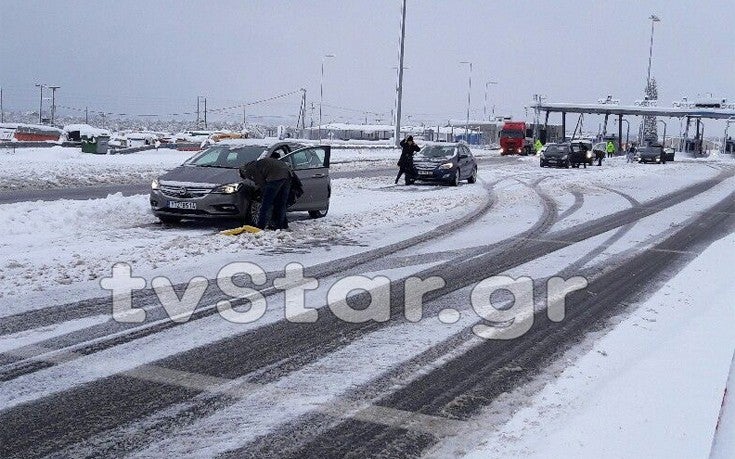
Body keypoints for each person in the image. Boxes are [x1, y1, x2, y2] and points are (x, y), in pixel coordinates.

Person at [240, 157, 293, 230]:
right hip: (287, 174)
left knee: (266, 204)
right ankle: (282, 225)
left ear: (243, 172)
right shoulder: (257, 164)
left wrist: (262, 194)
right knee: (281, 203)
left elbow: (262, 184)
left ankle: (260, 226)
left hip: (275, 177)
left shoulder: (249, 170)